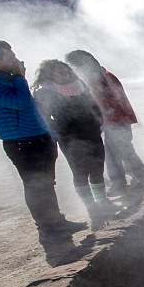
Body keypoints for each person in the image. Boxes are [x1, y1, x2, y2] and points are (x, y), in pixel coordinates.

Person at [0, 40, 85, 244]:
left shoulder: (7, 77)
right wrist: (20, 77)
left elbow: (32, 108)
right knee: (35, 185)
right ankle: (46, 229)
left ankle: (57, 221)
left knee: (47, 183)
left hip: (40, 138)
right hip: (21, 142)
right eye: (10, 57)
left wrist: (50, 133)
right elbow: (20, 103)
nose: (16, 60)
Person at [32, 60, 117, 229]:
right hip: (70, 138)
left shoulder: (79, 86)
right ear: (49, 74)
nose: (65, 75)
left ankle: (102, 203)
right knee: (80, 173)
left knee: (97, 170)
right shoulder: (45, 92)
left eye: (66, 72)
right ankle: (92, 210)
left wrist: (98, 121)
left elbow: (93, 106)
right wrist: (59, 132)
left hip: (92, 133)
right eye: (59, 73)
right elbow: (44, 117)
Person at [65, 49, 144, 195]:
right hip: (113, 120)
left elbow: (109, 100)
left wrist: (91, 106)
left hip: (116, 120)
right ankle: (122, 183)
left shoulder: (100, 77)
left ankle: (142, 180)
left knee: (123, 152)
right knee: (114, 154)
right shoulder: (99, 75)